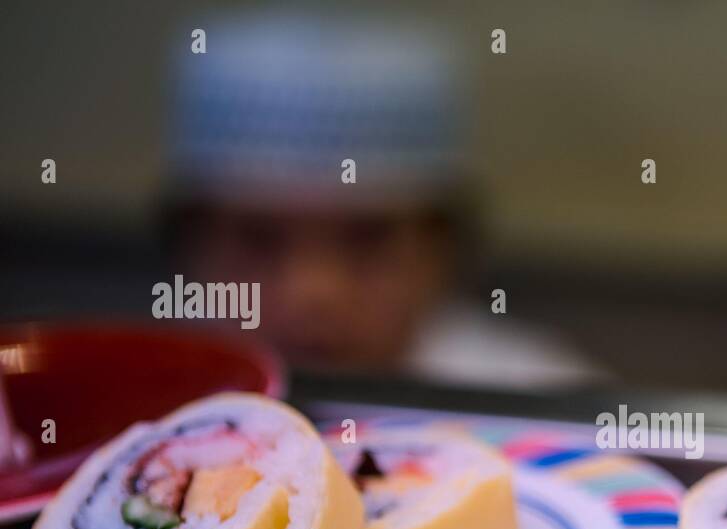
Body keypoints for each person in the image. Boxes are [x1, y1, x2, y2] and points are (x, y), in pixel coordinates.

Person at [164, 12, 600, 388]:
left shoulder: (547, 409)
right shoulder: (137, 408)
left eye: (367, 240)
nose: (314, 293)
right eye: (259, 239)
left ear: (443, 246)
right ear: (191, 245)